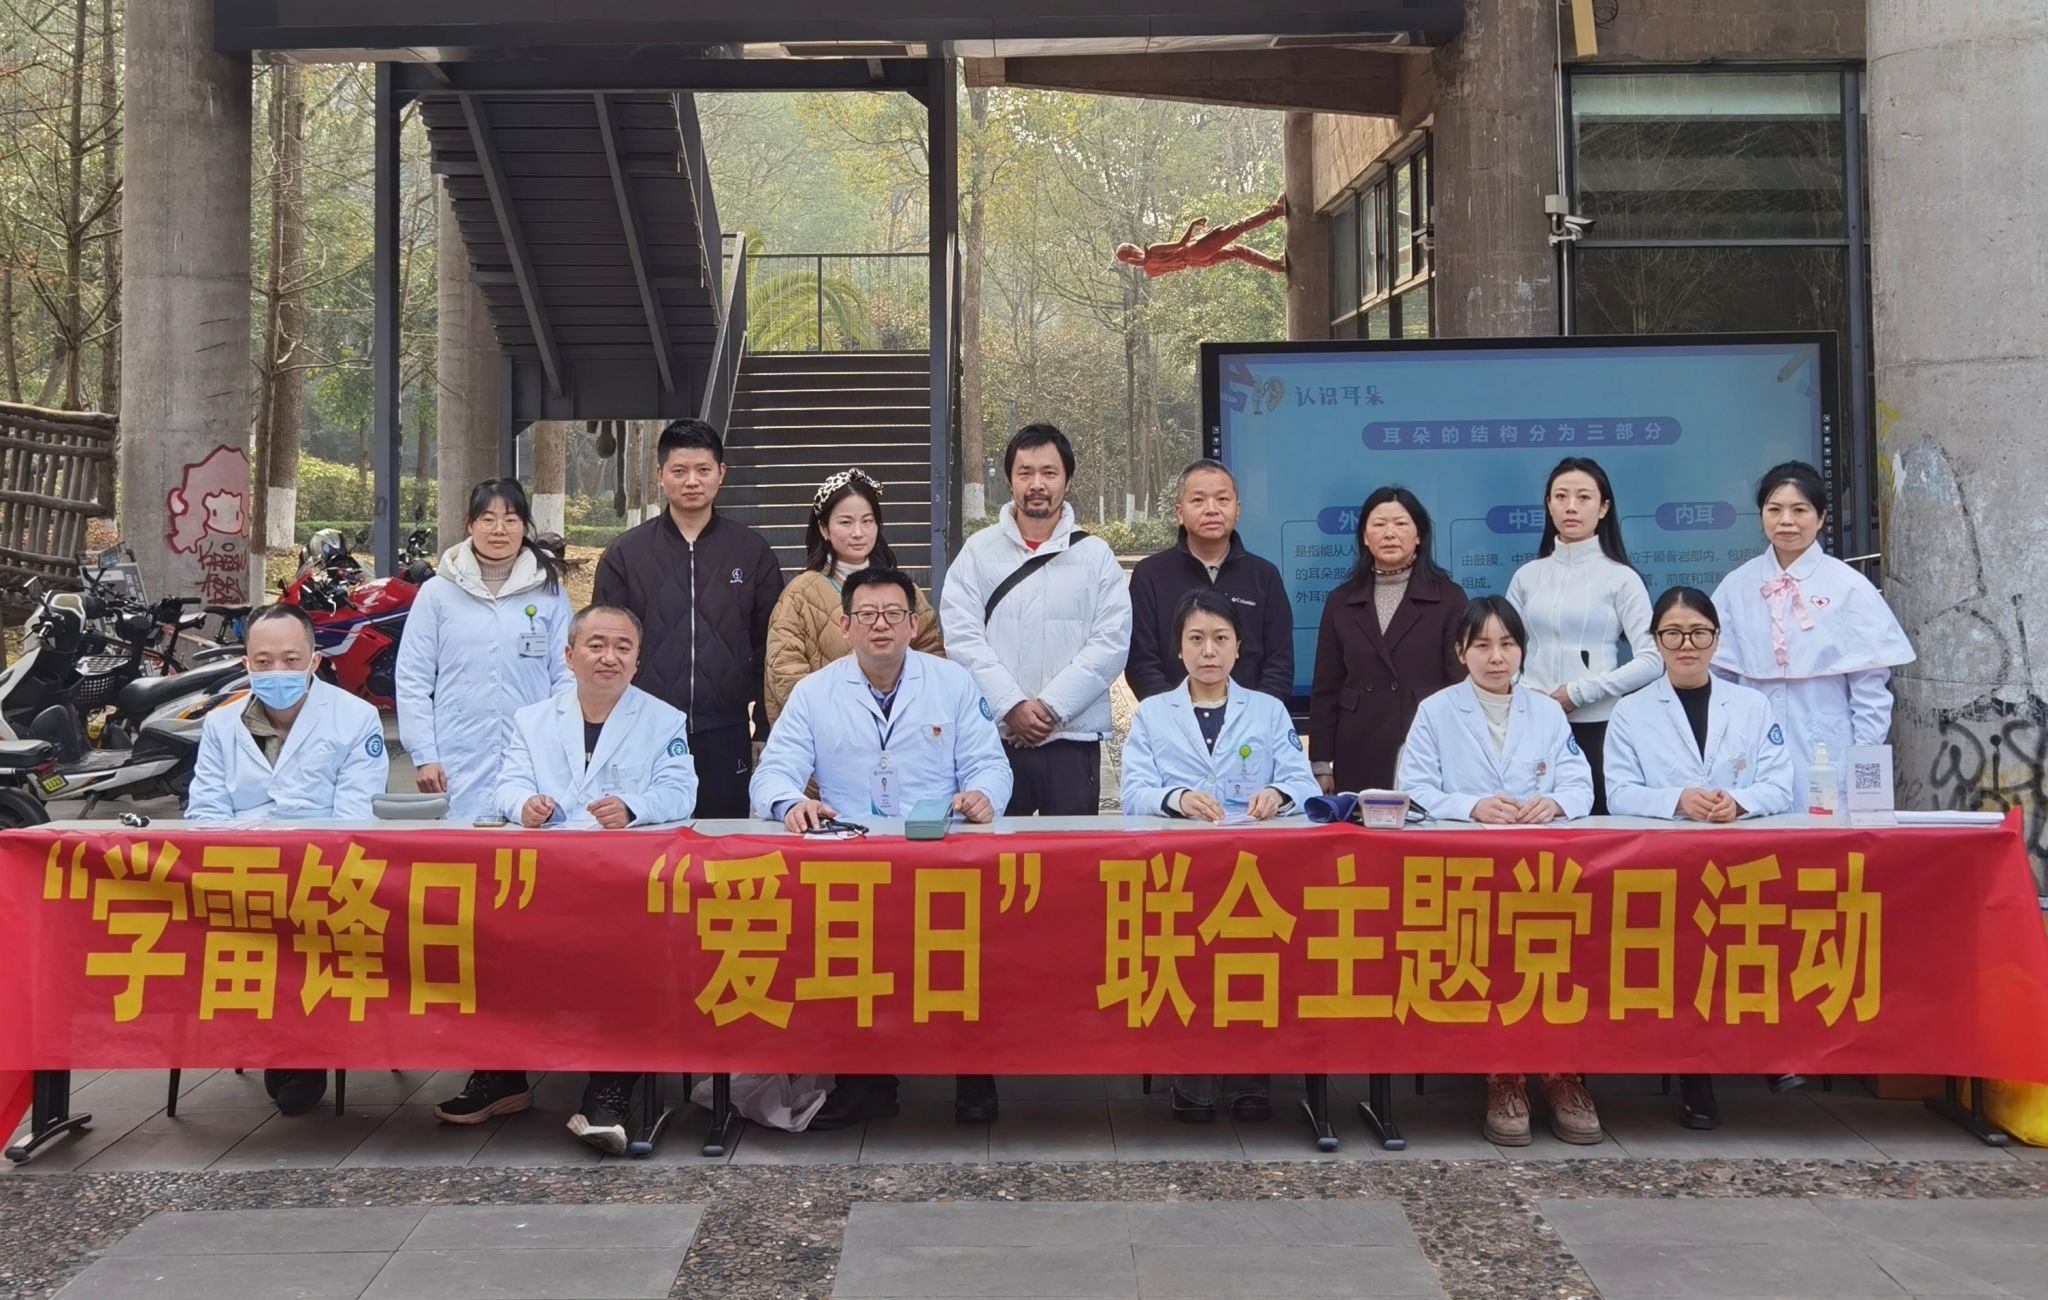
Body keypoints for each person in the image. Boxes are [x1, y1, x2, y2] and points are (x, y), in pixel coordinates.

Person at [751, 568, 1012, 1130]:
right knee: (854, 964)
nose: (881, 625)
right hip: (853, 858)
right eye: (866, 615)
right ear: (844, 626)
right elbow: (773, 772)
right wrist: (788, 802)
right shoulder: (814, 692)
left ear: (914, 624)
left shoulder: (952, 682)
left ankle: (973, 1074)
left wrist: (983, 795)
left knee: (960, 960)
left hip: (939, 852)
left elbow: (990, 763)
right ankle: (866, 1083)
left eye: (894, 614)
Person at [937, 422, 1130, 1122]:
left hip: (1072, 744)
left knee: (1073, 894)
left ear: (1066, 479)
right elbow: (961, 636)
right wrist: (1011, 706)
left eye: (1049, 472)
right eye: (1025, 472)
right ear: (1010, 479)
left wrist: (1048, 706)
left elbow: (1111, 643)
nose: (1037, 484)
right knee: (986, 903)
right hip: (996, 750)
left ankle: (1069, 1038)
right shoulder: (978, 553)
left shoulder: (1096, 556)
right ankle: (978, 1065)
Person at [473, 603, 699, 1151]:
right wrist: (524, 805)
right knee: (490, 946)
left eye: (623, 647)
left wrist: (634, 806)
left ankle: (609, 1089)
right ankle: (500, 1076)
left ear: (638, 660)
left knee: (628, 962)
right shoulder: (533, 719)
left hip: (627, 886)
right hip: (547, 882)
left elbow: (681, 791)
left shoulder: (663, 719)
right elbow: (506, 785)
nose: (609, 657)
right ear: (569, 655)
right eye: (596, 645)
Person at [1395, 596, 1601, 1147]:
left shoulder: (1547, 712)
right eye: (1482, 645)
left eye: (1507, 644)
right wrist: (1471, 806)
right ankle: (1503, 1078)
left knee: (1553, 968)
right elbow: (1413, 789)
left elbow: (1580, 784)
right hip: (1469, 878)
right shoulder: (1436, 711)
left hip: (1544, 879)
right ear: (1459, 651)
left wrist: (1555, 803)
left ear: (1522, 651)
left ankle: (1563, 1078)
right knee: (1494, 971)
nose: (1496, 657)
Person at [1119, 589, 1317, 1124]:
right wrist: (1177, 798)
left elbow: (1302, 783)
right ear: (1178, 649)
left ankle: (1250, 1076)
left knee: (1250, 965)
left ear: (1238, 647)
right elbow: (1132, 793)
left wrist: (1278, 793)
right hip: (1181, 870)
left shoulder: (1268, 710)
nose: (1209, 651)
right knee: (1186, 969)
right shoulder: (1153, 714)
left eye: (1220, 639)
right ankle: (1193, 1076)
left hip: (1254, 873)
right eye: (1196, 639)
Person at [186, 602, 389, 1118]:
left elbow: (356, 817)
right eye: (263, 661)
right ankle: (279, 1047)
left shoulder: (355, 717)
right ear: (246, 664)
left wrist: (296, 865)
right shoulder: (221, 724)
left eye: (290, 659)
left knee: (308, 933)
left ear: (314, 660)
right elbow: (205, 813)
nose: (277, 670)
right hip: (242, 877)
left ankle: (303, 1054)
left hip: (325, 875)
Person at [1605, 585, 1796, 1132]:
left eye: (1698, 633)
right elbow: (1618, 793)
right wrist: (1676, 800)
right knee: (1685, 962)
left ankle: (1772, 1053)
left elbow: (1780, 782)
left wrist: (1740, 801)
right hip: (1667, 866)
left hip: (1741, 865)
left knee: (1754, 948)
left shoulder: (1753, 706)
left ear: (1716, 639)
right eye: (1672, 634)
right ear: (1654, 641)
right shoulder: (1631, 711)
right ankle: (1696, 1078)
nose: (1686, 644)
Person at [592, 418, 784, 817]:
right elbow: (603, 647)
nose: (692, 481)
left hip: (726, 730)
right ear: (660, 475)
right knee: (646, 837)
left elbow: (770, 648)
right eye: (679, 471)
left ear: (721, 473)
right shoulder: (626, 555)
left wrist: (765, 728)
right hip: (643, 728)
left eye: (703, 470)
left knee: (724, 842)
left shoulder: (751, 551)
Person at [1710, 461, 1914, 805]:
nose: (1786, 520)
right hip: (1749, 744)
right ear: (1761, 515)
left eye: (1799, 510)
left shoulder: (1849, 586)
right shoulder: (1737, 586)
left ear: (1820, 518)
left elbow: (1869, 689)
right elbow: (1717, 678)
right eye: (1774, 509)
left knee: (1823, 826)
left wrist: (1862, 761)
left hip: (1827, 744)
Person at [396, 477, 572, 823]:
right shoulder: (437, 593)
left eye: (510, 519)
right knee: (463, 842)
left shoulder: (548, 592)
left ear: (524, 526)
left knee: (531, 842)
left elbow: (566, 674)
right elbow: (413, 678)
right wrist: (424, 753)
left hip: (534, 749)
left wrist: (564, 742)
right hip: (458, 753)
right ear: (470, 524)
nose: (499, 530)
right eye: (488, 519)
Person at [1505, 457, 1660, 815]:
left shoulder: (1622, 578)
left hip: (1598, 725)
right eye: (1560, 496)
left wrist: (1581, 691)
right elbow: (1504, 646)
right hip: (1530, 722)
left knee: (1597, 824)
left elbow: (1652, 660)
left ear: (1603, 508)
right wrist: (1523, 691)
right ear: (1548, 505)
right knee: (1528, 820)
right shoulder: (1527, 576)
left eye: (1584, 497)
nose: (1571, 506)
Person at [1308, 486, 1467, 794]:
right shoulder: (1341, 601)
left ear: (1419, 535)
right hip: (1358, 744)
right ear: (1365, 537)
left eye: (1401, 524)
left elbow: (1460, 685)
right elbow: (1326, 687)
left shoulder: (1449, 598)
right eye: (1379, 524)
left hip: (1424, 741)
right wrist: (1320, 762)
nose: (1390, 533)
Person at [764, 468, 942, 724]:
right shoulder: (800, 594)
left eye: (867, 521)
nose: (858, 532)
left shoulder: (902, 588)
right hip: (829, 730)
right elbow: (785, 671)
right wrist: (840, 719)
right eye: (846, 522)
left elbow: (931, 651)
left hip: (900, 727)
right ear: (824, 528)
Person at [1125, 459, 1292, 703]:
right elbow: (1141, 662)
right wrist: (1172, 715)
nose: (1212, 509)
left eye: (1222, 499)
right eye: (1198, 500)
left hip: (1251, 722)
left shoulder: (1264, 576)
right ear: (1179, 512)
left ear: (1237, 509)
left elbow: (1279, 663)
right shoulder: (1149, 575)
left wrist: (1255, 716)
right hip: (1172, 720)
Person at [1114, 196, 1287, 277]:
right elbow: (1180, 243)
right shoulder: (1152, 251)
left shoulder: (1150, 270)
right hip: (1195, 250)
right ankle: (1276, 210)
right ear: (1131, 248)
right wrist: (1192, 224)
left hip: (1198, 261)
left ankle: (1275, 265)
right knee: (1239, 226)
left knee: (1237, 251)